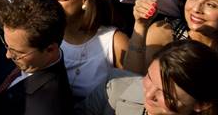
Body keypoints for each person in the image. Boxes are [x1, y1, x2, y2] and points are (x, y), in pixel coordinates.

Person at [85, 40, 218, 115]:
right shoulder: (115, 85)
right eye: (149, 77)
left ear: (201, 104)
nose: (148, 95)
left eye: (166, 94)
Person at [124, 0, 218, 75]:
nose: (196, 8)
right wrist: (141, 26)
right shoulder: (165, 32)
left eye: (211, 5)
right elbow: (131, 79)